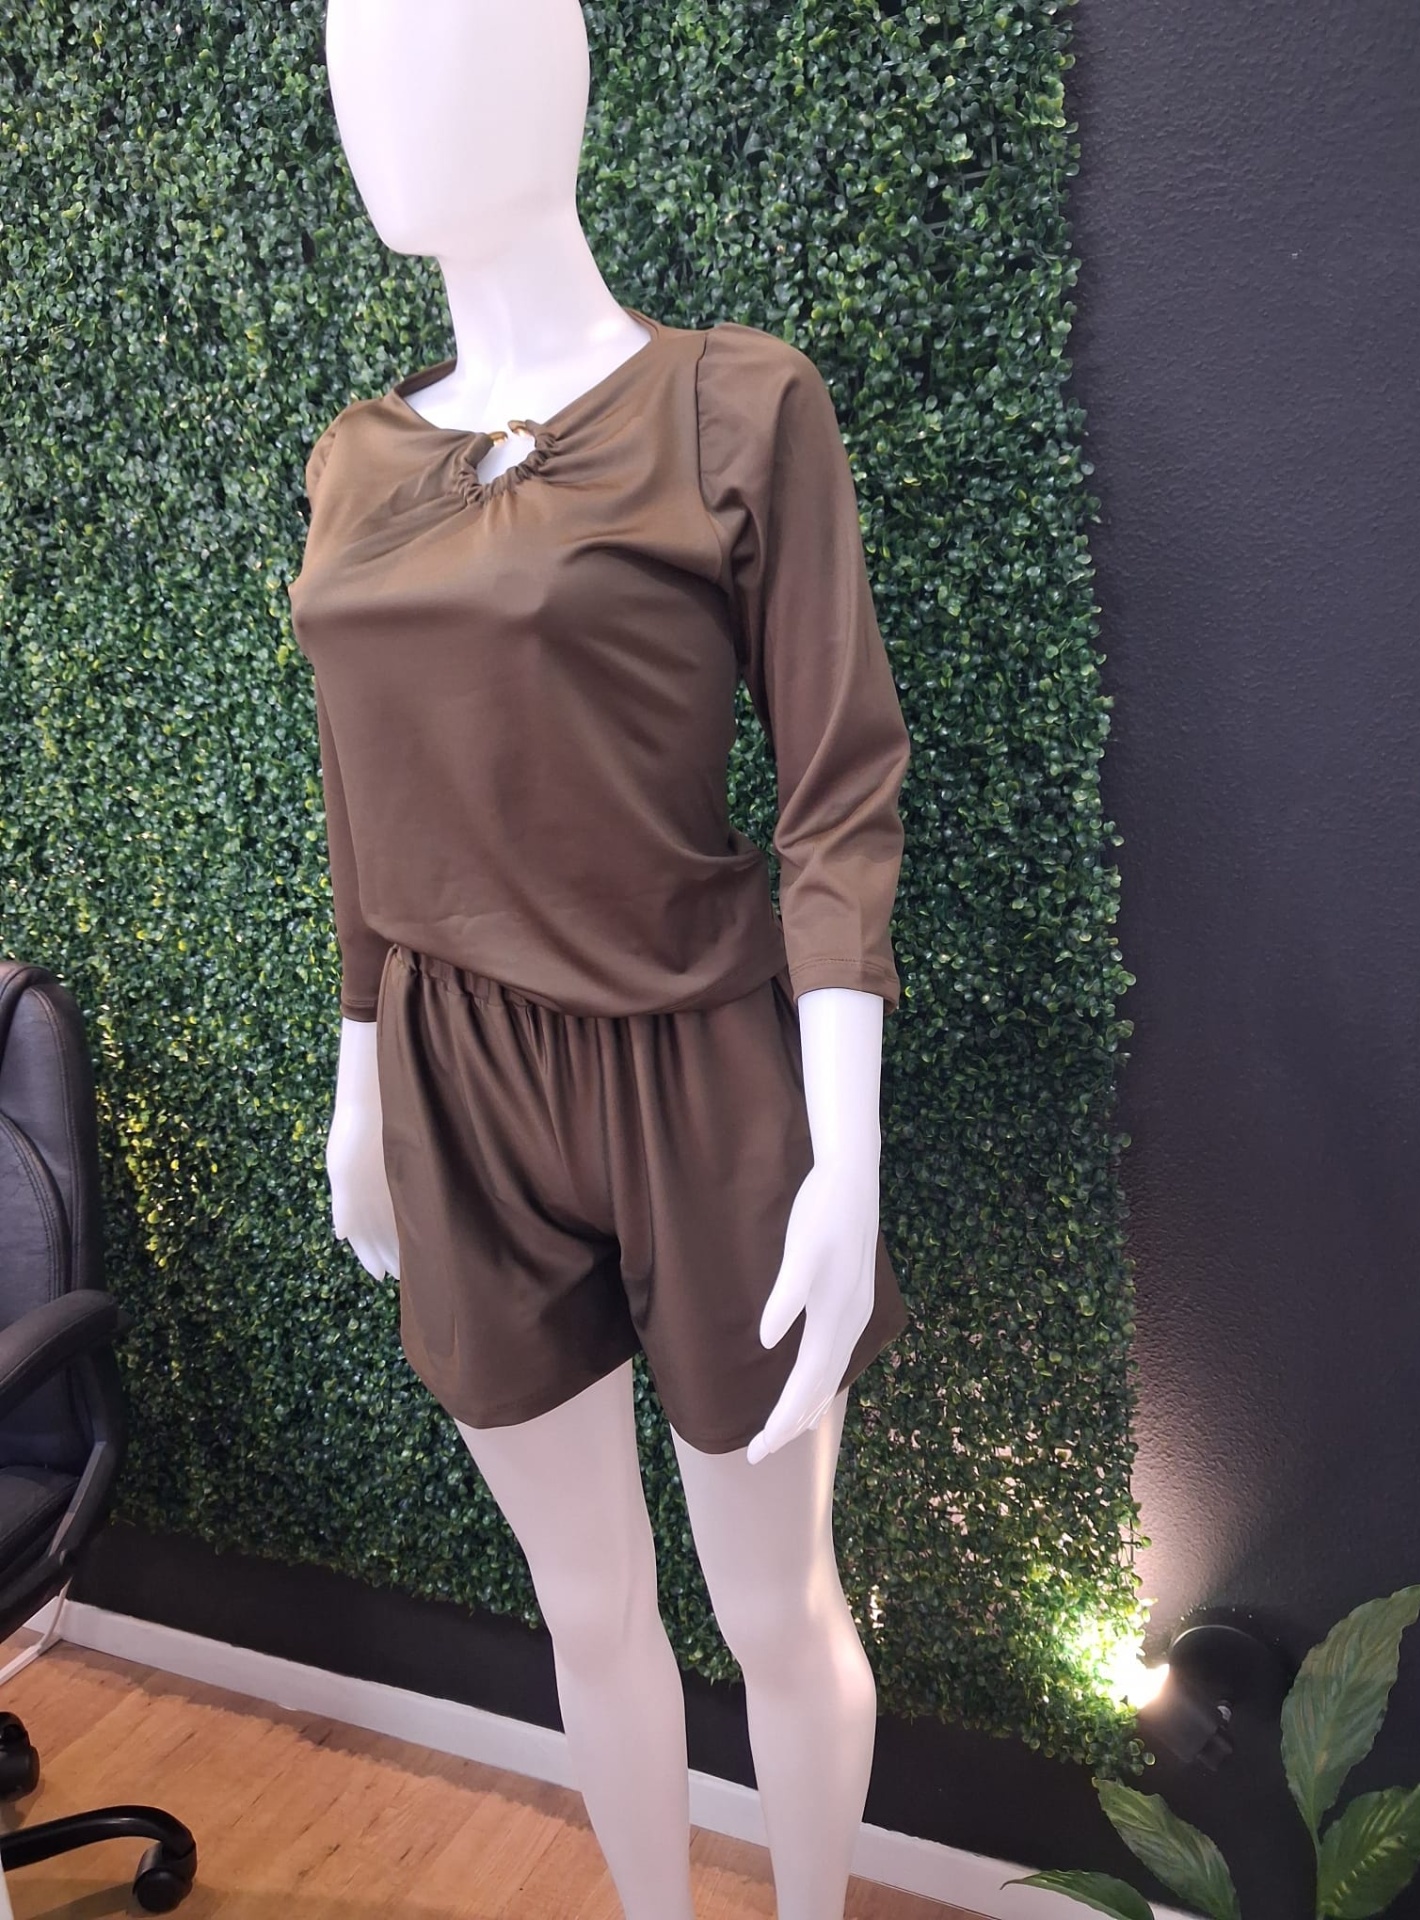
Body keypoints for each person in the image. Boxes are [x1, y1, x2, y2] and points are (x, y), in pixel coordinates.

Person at [286, 5, 912, 1915]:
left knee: (773, 1609)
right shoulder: (353, 458)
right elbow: (362, 804)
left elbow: (839, 794)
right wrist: (358, 1075)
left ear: (555, 70)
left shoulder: (734, 405)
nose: (380, 111)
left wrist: (849, 1151)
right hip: (456, 1084)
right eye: (354, 65)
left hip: (695, 1073)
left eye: (432, 50)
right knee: (585, 1605)